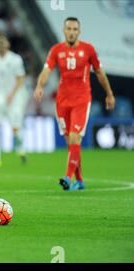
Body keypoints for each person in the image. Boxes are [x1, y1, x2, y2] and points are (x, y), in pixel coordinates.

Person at [34, 17, 115, 191]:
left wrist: (109, 93)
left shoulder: (88, 49)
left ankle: (67, 177)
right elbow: (46, 70)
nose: (71, 32)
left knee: (74, 138)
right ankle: (79, 181)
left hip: (81, 100)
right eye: (69, 29)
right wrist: (40, 86)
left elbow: (99, 73)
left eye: (75, 29)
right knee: (70, 143)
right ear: (64, 31)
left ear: (79, 31)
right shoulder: (56, 50)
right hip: (62, 101)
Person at [0, 35, 29, 167]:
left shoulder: (16, 59)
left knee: (15, 127)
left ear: (8, 44)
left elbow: (21, 78)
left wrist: (12, 94)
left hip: (14, 96)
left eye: (3, 41)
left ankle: (21, 149)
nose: (0, 44)